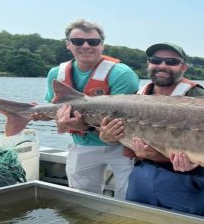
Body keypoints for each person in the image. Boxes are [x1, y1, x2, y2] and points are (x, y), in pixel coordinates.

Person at [98, 42, 204, 216]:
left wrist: (158, 156)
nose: (163, 66)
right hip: (141, 174)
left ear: (184, 67)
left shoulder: (197, 97)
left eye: (172, 62)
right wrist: (107, 136)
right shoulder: (138, 96)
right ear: (148, 64)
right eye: (156, 60)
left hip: (183, 179)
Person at [34, 19, 140, 199]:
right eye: (77, 41)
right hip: (82, 145)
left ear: (102, 45)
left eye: (93, 42)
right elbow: (57, 113)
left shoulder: (122, 74)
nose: (86, 46)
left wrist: (79, 126)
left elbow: (122, 120)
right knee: (80, 199)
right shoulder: (56, 74)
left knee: (130, 197)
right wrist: (41, 114)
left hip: (122, 146)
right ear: (68, 44)